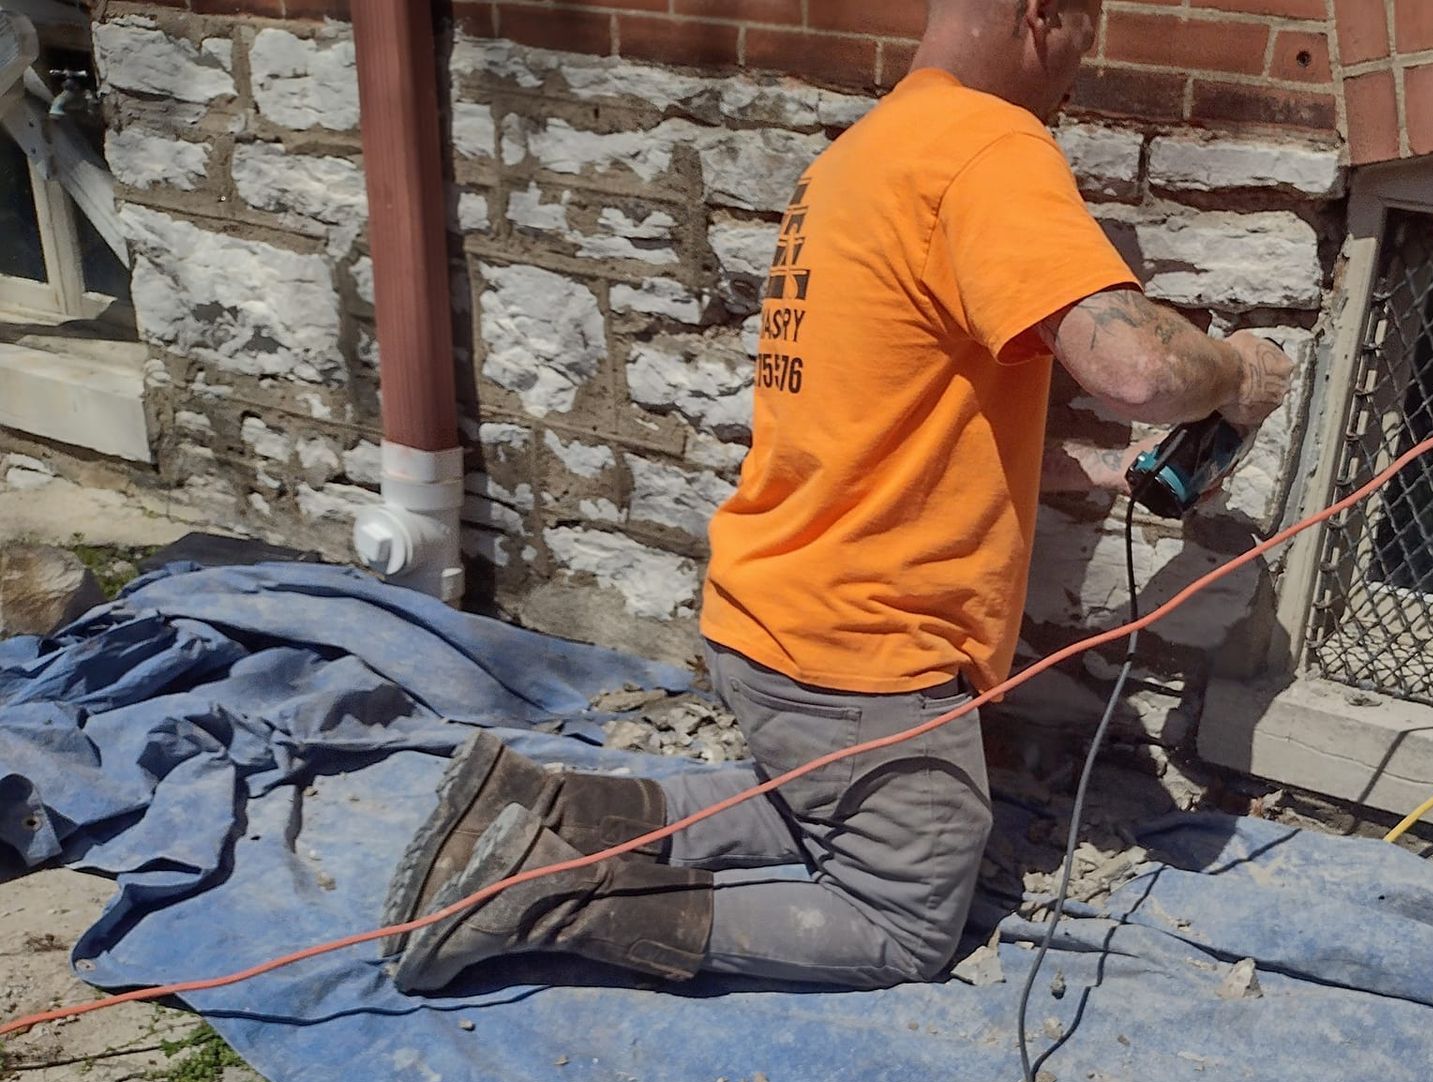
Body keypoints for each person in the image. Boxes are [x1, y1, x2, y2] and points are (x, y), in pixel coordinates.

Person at [384, 0, 1295, 995]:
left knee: (822, 799)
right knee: (898, 922)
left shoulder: (863, 159)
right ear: (1043, 15)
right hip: (862, 657)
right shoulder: (990, 145)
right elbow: (1138, 371)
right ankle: (538, 896)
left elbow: (903, 419)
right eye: (1086, 34)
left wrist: (1109, 474)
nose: (1084, 68)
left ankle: (551, 806)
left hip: (774, 616)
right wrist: (1235, 375)